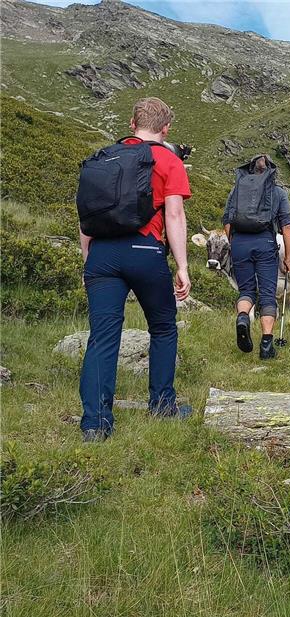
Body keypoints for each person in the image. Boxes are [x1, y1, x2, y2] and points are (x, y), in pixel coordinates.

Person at [78, 97, 193, 443]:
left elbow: (87, 216)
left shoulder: (103, 158)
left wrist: (88, 259)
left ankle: (95, 424)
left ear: (132, 124)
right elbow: (174, 215)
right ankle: (162, 405)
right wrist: (182, 266)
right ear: (166, 128)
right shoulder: (169, 160)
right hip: (145, 250)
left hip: (102, 254)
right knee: (163, 327)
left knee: (102, 337)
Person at [222, 155, 290, 359]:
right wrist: (288, 256)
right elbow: (286, 226)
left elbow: (227, 221)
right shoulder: (278, 193)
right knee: (268, 294)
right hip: (265, 244)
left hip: (239, 243)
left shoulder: (236, 190)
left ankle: (243, 317)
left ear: (251, 169)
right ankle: (266, 346)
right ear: (271, 171)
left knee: (246, 290)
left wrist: (234, 243)